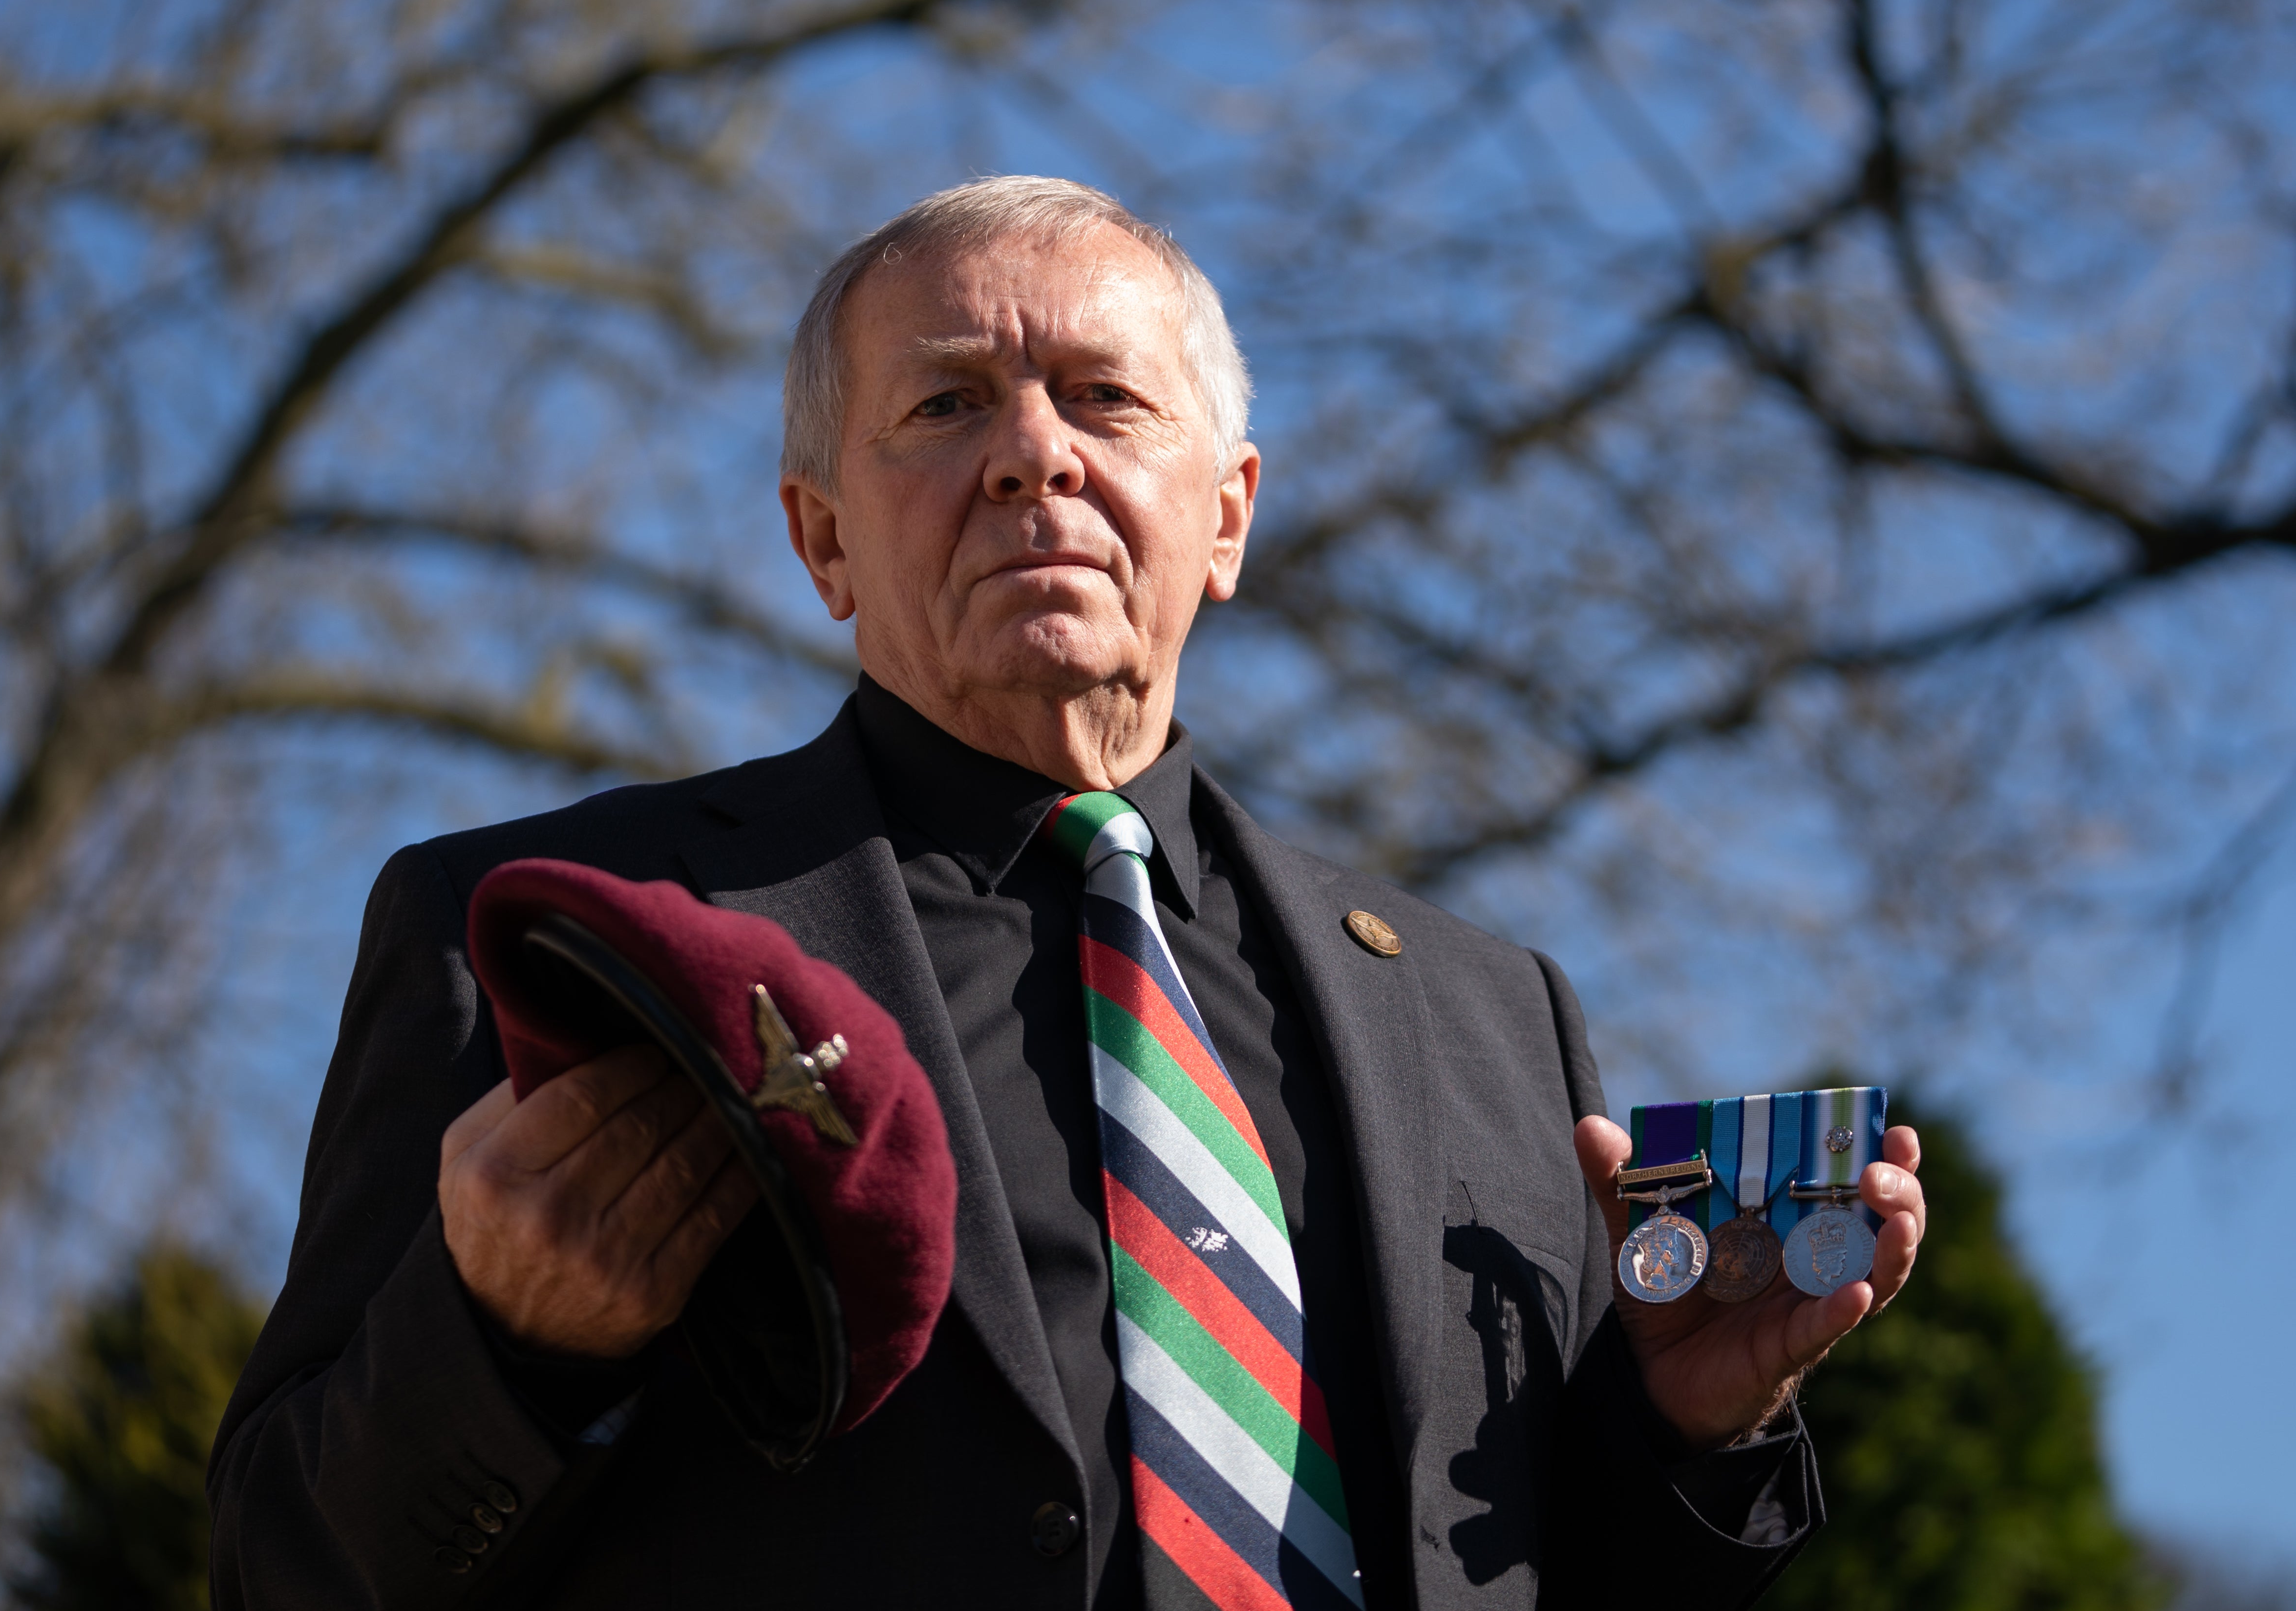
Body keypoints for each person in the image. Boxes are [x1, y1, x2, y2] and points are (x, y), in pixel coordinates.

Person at [210, 176, 1928, 1611]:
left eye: (1106, 399)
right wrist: (508, 1349)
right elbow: (285, 1571)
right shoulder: (555, 937)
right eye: (948, 405)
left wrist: (1685, 1435)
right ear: (822, 541)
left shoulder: (1488, 1014)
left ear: (1228, 516)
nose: (1035, 458)